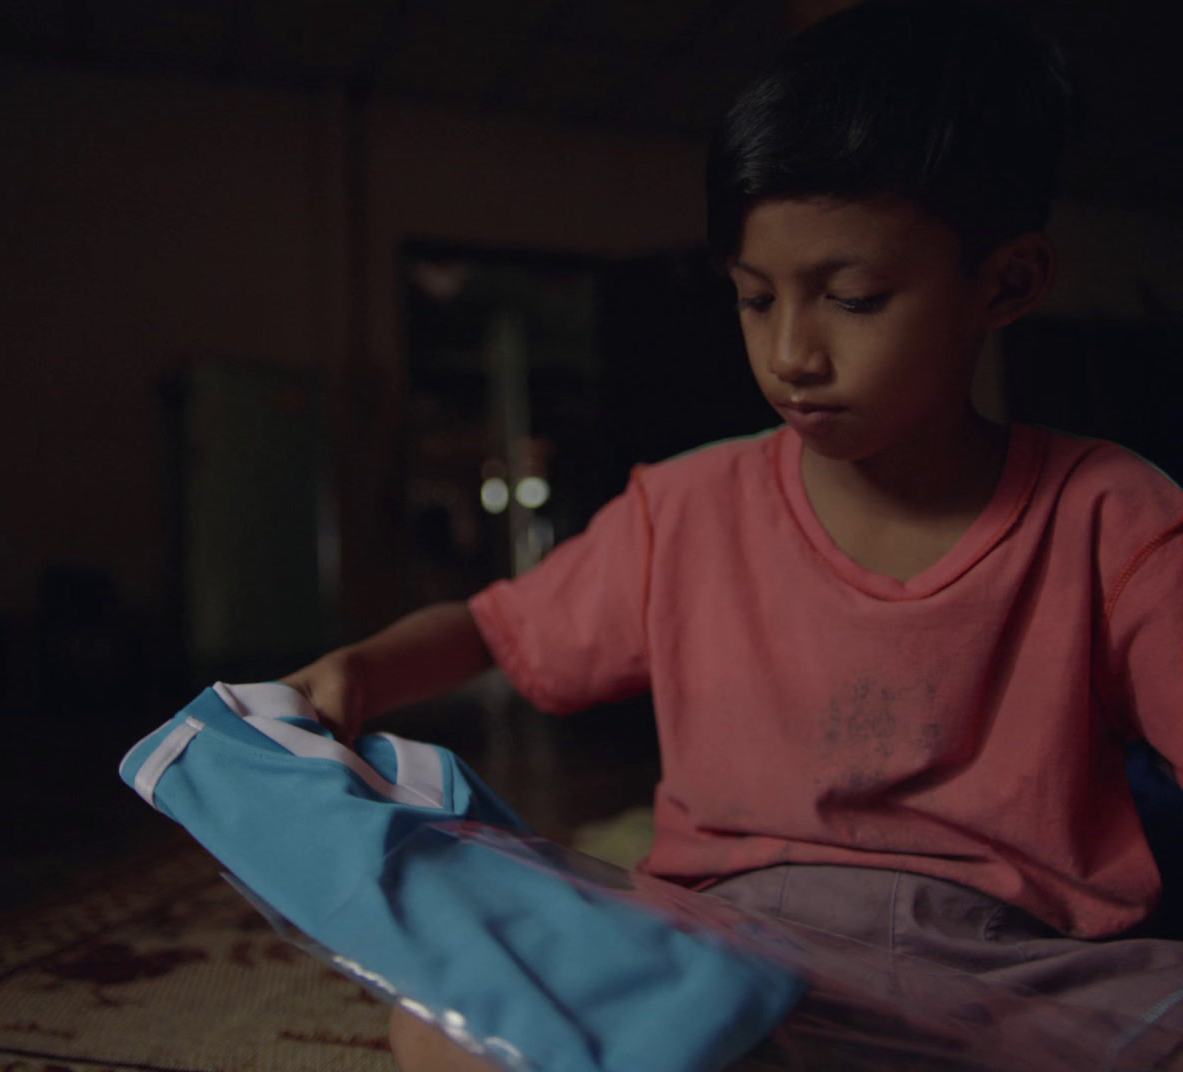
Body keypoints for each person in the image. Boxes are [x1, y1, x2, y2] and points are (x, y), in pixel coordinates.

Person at [284, 2, 1183, 1068]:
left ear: (1009, 283)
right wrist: (358, 672)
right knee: (445, 1029)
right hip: (728, 954)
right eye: (756, 300)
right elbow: (491, 628)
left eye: (852, 298)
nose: (792, 351)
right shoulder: (688, 508)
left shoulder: (1114, 515)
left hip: (1014, 974)